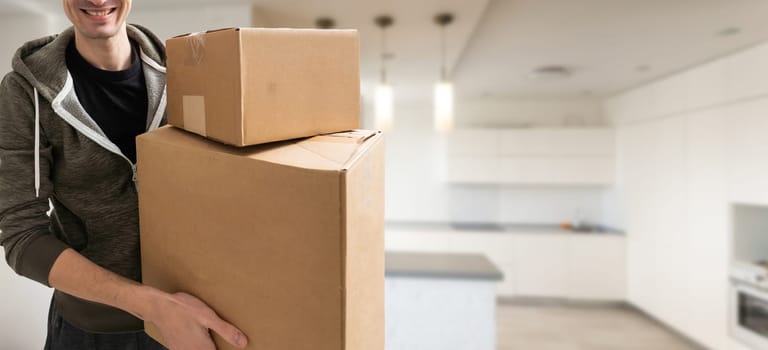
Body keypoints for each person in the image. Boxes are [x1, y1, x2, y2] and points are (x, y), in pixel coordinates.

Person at [0, 1, 248, 349]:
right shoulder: (26, 92)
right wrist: (154, 306)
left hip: (191, 320)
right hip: (91, 330)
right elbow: (22, 237)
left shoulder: (183, 73)